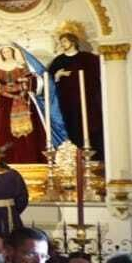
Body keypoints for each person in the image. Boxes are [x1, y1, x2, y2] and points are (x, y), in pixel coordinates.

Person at [47, 27, 103, 165]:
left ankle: (91, 156)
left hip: (87, 101)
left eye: (65, 41)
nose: (62, 44)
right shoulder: (58, 61)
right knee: (70, 125)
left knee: (87, 125)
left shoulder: (88, 58)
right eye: (61, 42)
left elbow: (96, 76)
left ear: (73, 42)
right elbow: (49, 80)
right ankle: (72, 155)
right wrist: (58, 75)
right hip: (66, 102)